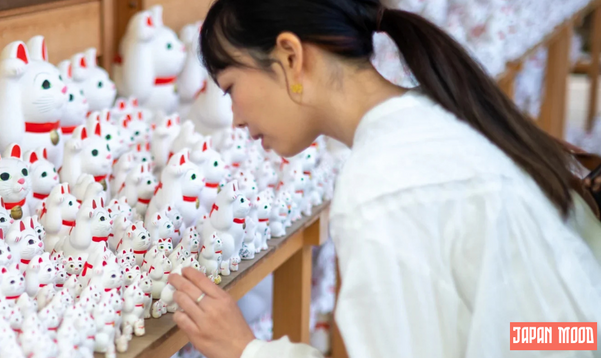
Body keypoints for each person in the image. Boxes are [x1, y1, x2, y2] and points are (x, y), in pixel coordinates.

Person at [167, 0, 601, 357]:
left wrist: (245, 350)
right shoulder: (436, 116)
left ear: (291, 57)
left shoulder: (384, 188)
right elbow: (550, 330)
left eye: (230, 88)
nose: (235, 118)